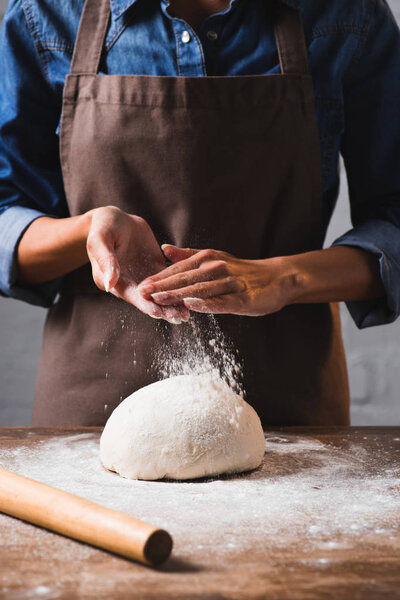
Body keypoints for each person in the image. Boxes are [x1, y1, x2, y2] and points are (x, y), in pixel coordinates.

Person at [0, 0, 399, 427]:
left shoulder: (346, 14)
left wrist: (283, 276)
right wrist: (87, 232)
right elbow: (7, 216)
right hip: (91, 409)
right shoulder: (45, 14)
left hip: (289, 403)